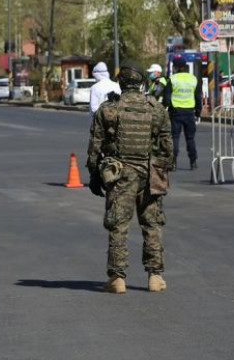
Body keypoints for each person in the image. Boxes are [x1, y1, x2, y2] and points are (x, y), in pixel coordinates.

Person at [86, 60, 173, 294]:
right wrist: (162, 171)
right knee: (152, 224)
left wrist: (94, 175)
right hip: (150, 171)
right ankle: (155, 277)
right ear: (143, 81)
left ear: (120, 81)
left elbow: (95, 146)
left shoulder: (108, 109)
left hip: (120, 173)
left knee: (118, 225)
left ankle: (117, 278)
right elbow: (166, 146)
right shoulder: (155, 107)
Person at [166, 54, 201, 170]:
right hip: (189, 112)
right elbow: (197, 97)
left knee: (175, 137)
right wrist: (198, 111)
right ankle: (193, 162)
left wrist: (167, 108)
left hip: (175, 112)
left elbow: (167, 98)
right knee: (190, 138)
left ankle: (173, 162)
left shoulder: (172, 79)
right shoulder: (193, 79)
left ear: (175, 67)